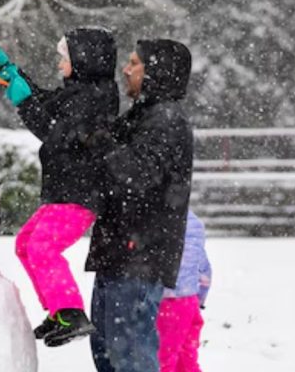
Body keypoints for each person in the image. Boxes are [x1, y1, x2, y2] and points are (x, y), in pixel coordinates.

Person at [0, 27, 119, 347]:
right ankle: (59, 311)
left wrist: (24, 103)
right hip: (63, 192)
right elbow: (45, 101)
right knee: (26, 243)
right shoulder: (79, 92)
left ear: (83, 60)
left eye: (64, 58)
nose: (59, 64)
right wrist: (11, 72)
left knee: (43, 247)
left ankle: (71, 312)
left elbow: (54, 132)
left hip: (79, 193)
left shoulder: (94, 99)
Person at [86, 39, 195, 372]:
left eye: (134, 63)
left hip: (139, 254)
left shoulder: (166, 120)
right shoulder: (144, 114)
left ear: (155, 72)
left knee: (129, 351)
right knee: (106, 347)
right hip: (119, 250)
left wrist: (101, 141)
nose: (126, 68)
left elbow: (137, 174)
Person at [157, 210, 212, 372]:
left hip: (167, 302)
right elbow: (205, 271)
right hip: (190, 302)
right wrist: (200, 298)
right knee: (188, 354)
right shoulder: (195, 223)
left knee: (164, 356)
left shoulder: (157, 219)